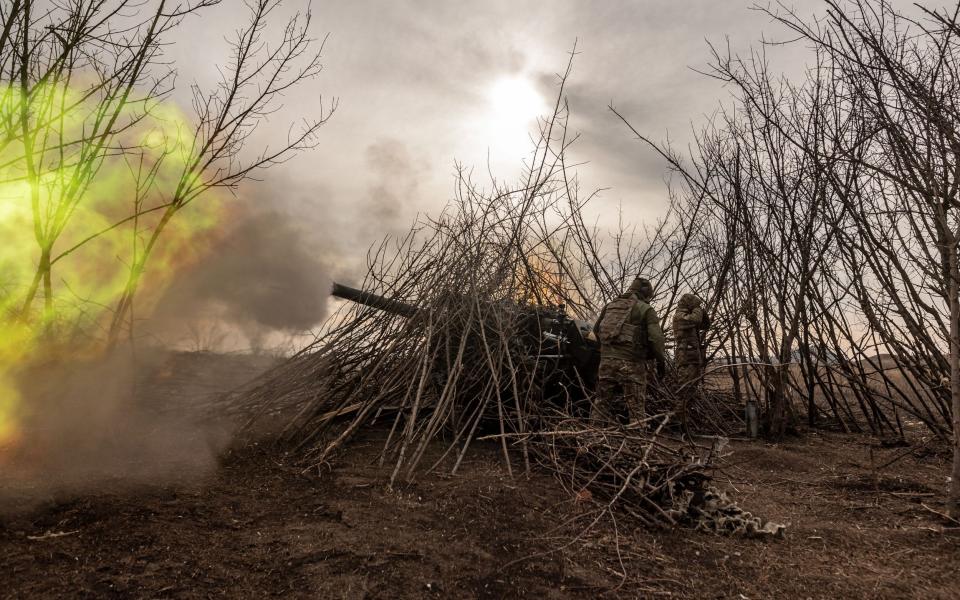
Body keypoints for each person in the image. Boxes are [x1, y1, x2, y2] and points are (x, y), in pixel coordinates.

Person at [592, 277, 666, 425]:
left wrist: (608, 350)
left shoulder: (610, 306)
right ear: (645, 293)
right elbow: (656, 339)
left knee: (601, 404)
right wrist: (661, 362)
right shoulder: (645, 309)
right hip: (632, 364)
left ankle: (592, 440)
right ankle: (639, 444)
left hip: (606, 363)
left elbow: (596, 330)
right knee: (636, 409)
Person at [672, 293, 710, 425]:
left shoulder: (689, 314)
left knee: (691, 389)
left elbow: (705, 324)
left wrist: (701, 310)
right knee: (684, 390)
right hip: (686, 358)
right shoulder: (680, 316)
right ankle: (678, 422)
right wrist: (697, 308)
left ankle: (685, 421)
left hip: (692, 357)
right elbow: (696, 320)